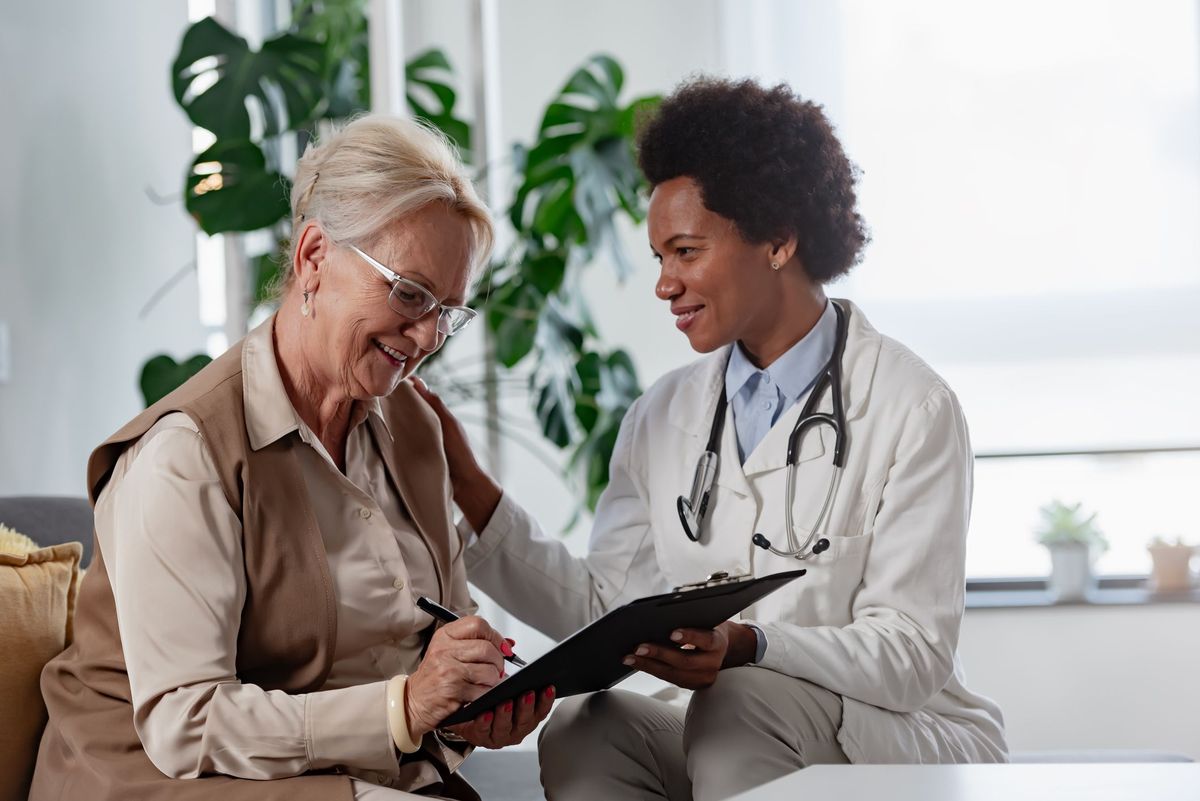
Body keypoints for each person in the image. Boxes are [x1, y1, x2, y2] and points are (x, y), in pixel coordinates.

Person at [416, 77, 1008, 801]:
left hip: (901, 732)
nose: (665, 284)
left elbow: (912, 655)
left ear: (780, 240)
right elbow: (606, 611)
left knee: (740, 700)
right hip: (735, 734)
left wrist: (748, 646)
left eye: (686, 251)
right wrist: (473, 491)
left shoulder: (910, 407)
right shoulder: (664, 416)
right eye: (660, 256)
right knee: (585, 724)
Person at [31, 115, 552, 801]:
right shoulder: (186, 454)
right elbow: (186, 724)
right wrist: (402, 708)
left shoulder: (414, 426)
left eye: (447, 311)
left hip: (353, 779)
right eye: (409, 293)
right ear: (312, 257)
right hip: (162, 780)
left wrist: (469, 702)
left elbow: (434, 648)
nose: (427, 335)